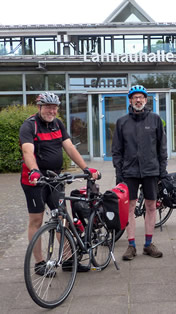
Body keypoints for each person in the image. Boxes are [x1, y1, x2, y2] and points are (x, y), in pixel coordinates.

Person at [20, 92, 100, 275]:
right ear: (39, 107)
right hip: (34, 181)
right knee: (36, 220)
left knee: (61, 218)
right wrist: (34, 171)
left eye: (55, 107)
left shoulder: (58, 124)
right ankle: (40, 263)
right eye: (48, 106)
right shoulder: (29, 126)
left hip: (55, 180)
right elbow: (27, 151)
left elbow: (70, 147)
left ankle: (67, 259)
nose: (52, 110)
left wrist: (86, 168)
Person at [112, 85, 167, 261]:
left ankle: (148, 244)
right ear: (130, 100)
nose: (138, 100)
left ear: (146, 100)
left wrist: (162, 171)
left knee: (151, 206)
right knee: (130, 207)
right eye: (134, 97)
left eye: (141, 97)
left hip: (151, 170)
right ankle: (131, 245)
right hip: (129, 172)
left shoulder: (155, 120)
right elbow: (116, 150)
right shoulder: (122, 122)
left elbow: (162, 148)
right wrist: (119, 173)